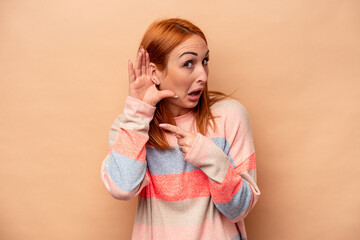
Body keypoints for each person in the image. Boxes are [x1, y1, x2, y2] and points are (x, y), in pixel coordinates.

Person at [100, 18, 260, 240]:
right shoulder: (130, 125)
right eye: (188, 64)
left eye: (205, 61)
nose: (203, 76)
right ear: (155, 73)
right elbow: (122, 189)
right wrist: (139, 113)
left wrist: (212, 158)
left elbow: (239, 210)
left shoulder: (229, 116)